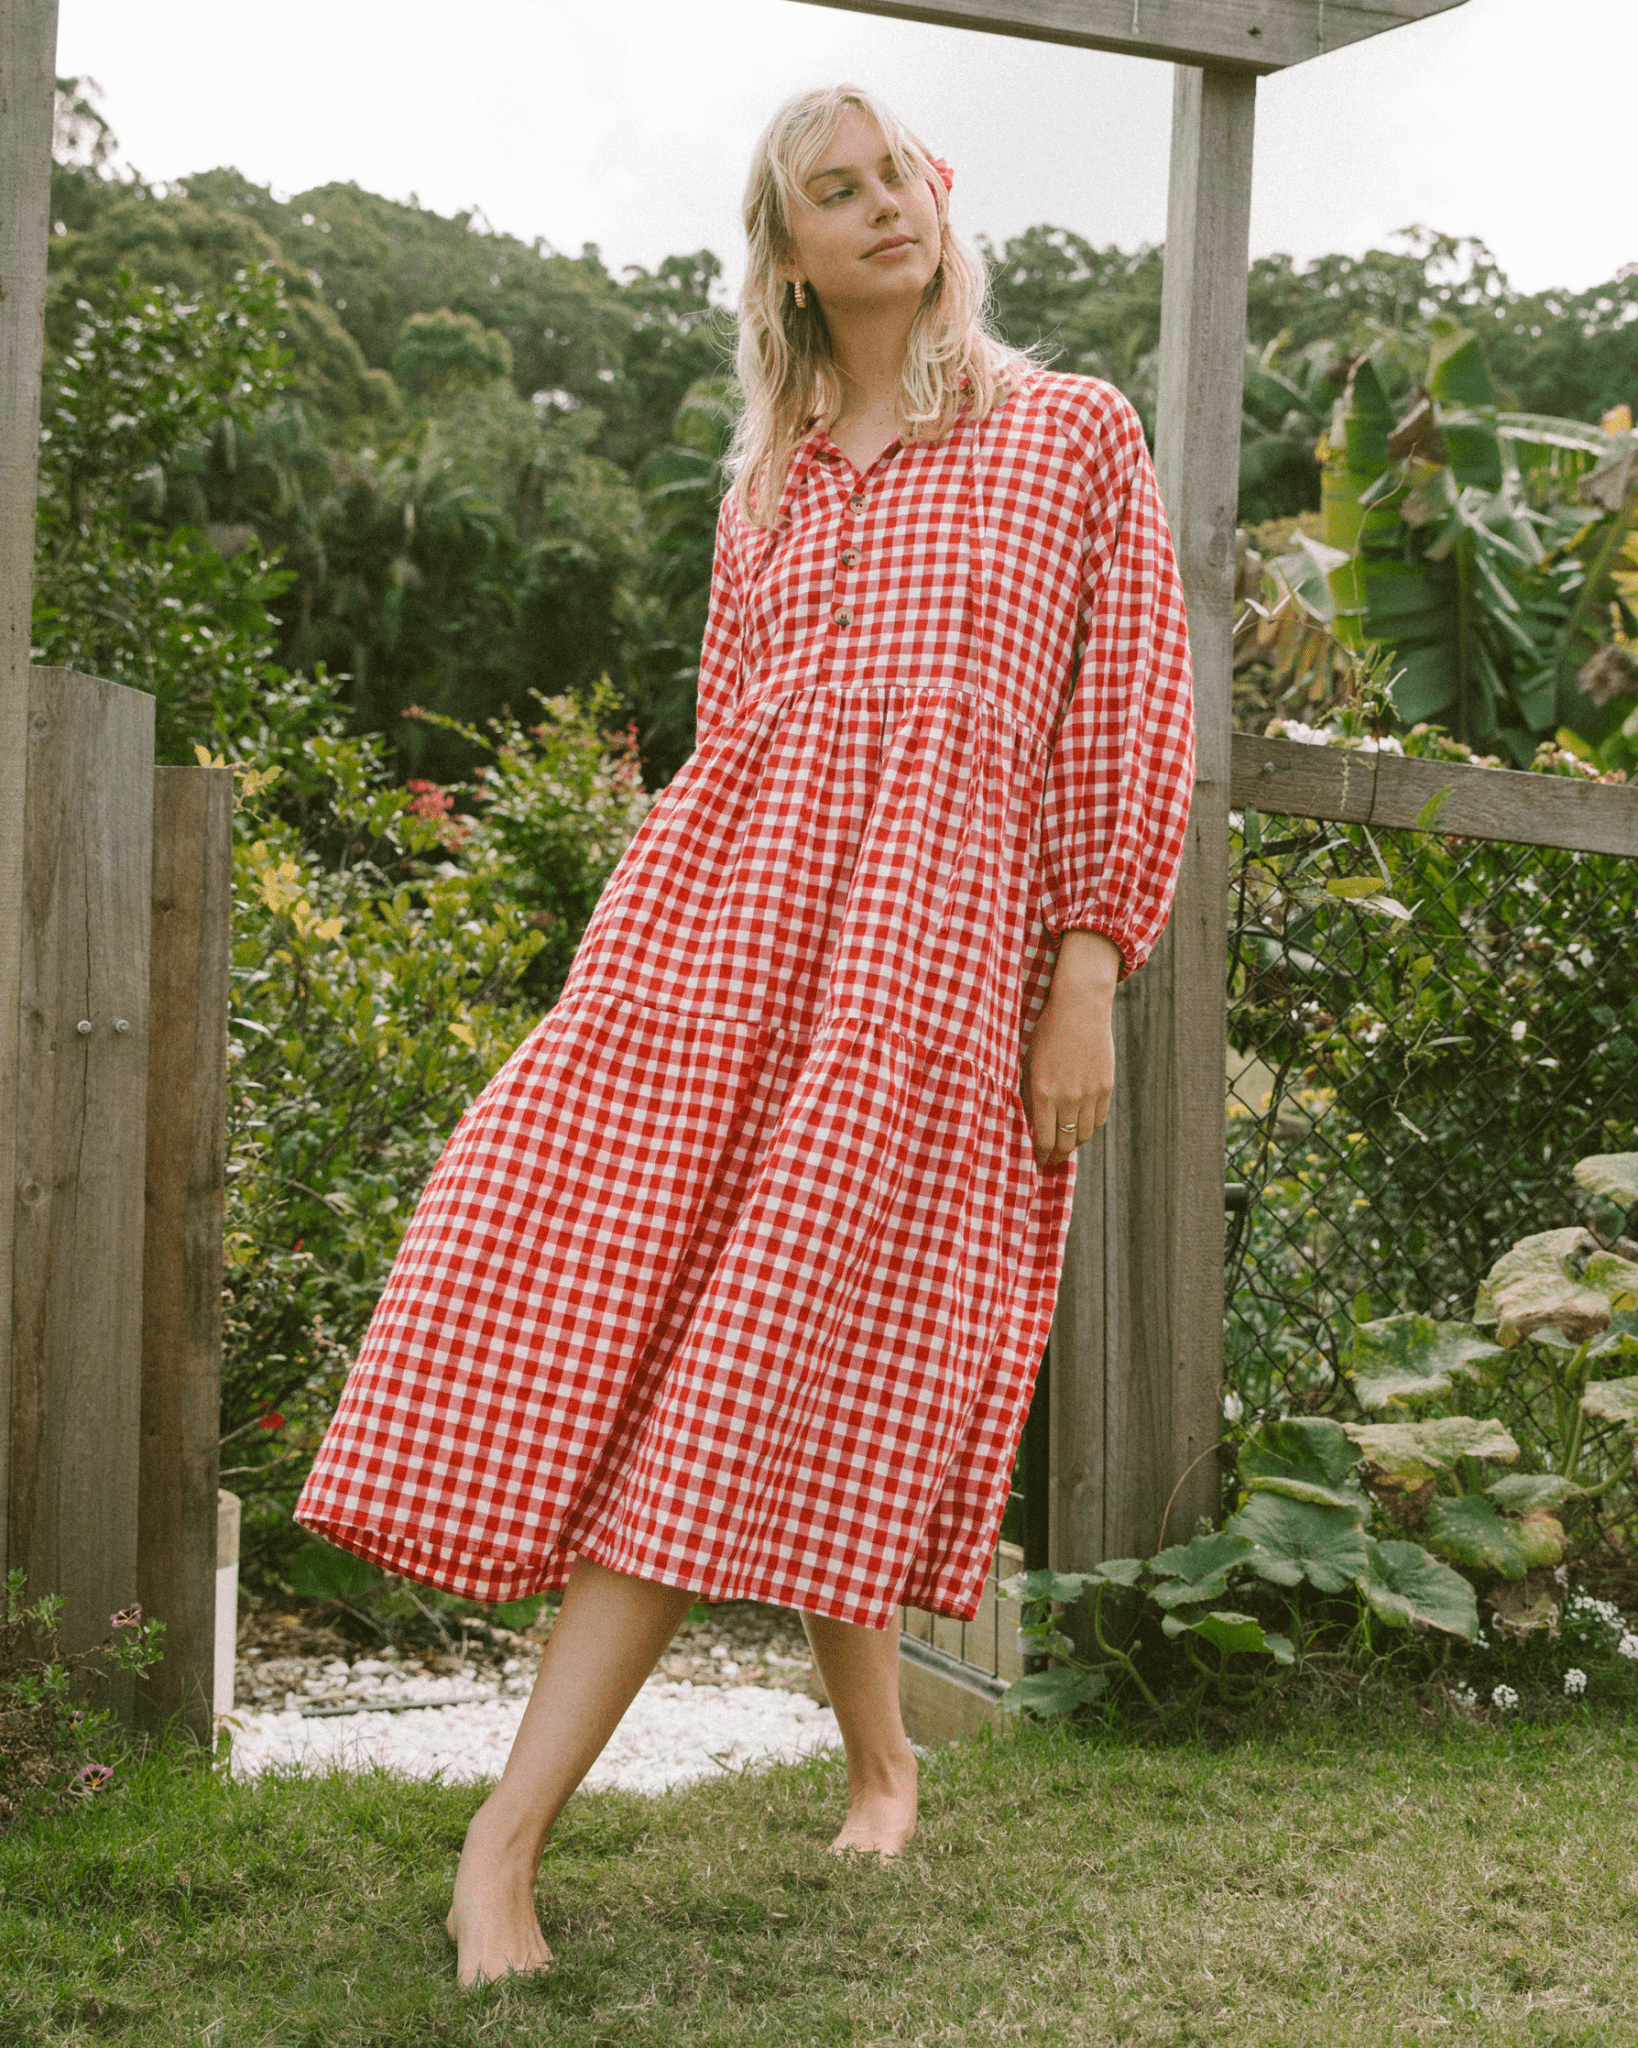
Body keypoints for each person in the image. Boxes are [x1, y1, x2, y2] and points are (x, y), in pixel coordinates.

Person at [293, 83, 1193, 1987]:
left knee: (784, 1349)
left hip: (927, 974)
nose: (881, 210)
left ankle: (519, 1845)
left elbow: (1127, 716)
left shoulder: (1066, 436)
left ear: (942, 201)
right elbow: (734, 742)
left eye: (898, 178)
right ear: (783, 251)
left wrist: (1087, 969)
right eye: (831, 192)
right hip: (715, 947)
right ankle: (840, 1769)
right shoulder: (770, 487)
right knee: (692, 1327)